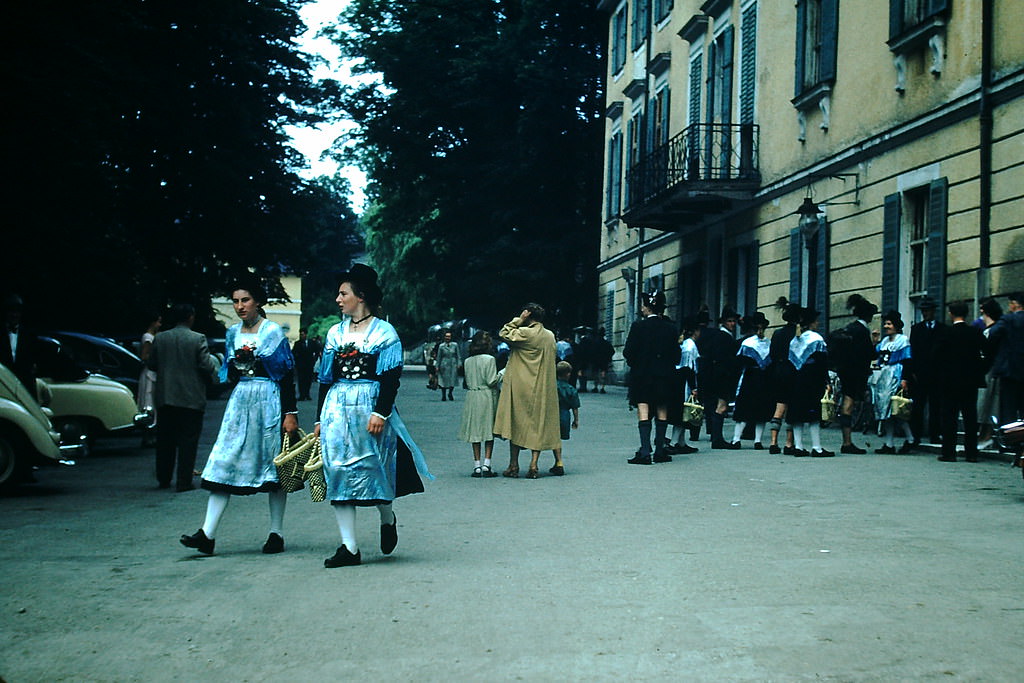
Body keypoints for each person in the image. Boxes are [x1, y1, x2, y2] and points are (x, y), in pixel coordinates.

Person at [315, 265, 432, 568]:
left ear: (361, 296)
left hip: (370, 405)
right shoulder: (334, 333)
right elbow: (325, 379)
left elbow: (391, 378)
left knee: (376, 469)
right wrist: (318, 419)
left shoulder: (384, 332)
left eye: (344, 293)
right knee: (338, 470)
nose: (338, 299)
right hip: (337, 408)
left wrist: (380, 411)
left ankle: (386, 516)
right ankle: (349, 548)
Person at [179, 283, 298, 555]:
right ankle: (207, 533)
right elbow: (230, 375)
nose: (240, 306)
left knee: (273, 464)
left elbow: (287, 375)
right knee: (224, 459)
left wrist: (290, 413)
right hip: (241, 400)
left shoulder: (272, 332)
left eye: (245, 300)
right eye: (235, 301)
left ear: (258, 302)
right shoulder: (232, 333)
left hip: (268, 398)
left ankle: (276, 532)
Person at [148, 303, 219, 492]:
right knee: (188, 441)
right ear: (190, 317)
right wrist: (213, 379)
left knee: (165, 440)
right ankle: (183, 481)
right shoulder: (197, 339)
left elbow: (152, 364)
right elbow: (206, 366)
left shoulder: (161, 338)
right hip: (191, 398)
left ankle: (163, 478)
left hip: (166, 396)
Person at [493, 303, 560, 479]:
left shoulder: (524, 333)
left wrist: (519, 320)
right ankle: (534, 464)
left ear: (528, 315)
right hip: (542, 386)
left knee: (516, 424)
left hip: (521, 386)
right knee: (537, 425)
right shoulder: (549, 336)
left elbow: (504, 333)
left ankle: (513, 465)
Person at [623, 291, 679, 464]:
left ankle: (645, 451)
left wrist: (637, 365)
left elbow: (628, 352)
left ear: (648, 307)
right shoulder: (671, 328)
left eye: (643, 305)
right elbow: (676, 355)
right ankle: (660, 450)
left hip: (643, 375)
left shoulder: (638, 327)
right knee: (662, 408)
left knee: (643, 408)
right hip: (664, 376)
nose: (641, 308)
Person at [935, 301, 987, 463]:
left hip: (950, 380)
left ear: (951, 314)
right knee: (970, 417)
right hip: (970, 380)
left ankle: (949, 452)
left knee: (949, 417)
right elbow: (988, 351)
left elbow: (936, 356)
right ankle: (971, 452)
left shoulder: (945, 333)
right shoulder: (975, 332)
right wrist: (980, 369)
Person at [785, 307, 833, 457]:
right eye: (816, 320)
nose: (818, 323)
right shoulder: (816, 339)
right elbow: (822, 362)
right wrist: (827, 380)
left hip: (796, 379)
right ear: (812, 322)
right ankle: (816, 447)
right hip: (813, 379)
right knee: (814, 415)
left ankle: (798, 447)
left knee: (797, 414)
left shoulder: (795, 340)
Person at [833, 294, 878, 454]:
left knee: (847, 403)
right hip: (855, 374)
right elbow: (869, 354)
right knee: (848, 406)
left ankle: (847, 441)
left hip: (845, 372)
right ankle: (847, 442)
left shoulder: (850, 328)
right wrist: (874, 343)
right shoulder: (861, 331)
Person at [871, 310, 915, 454]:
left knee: (897, 410)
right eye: (885, 323)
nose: (886, 326)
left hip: (895, 375)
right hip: (884, 378)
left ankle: (910, 438)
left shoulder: (903, 340)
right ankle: (889, 443)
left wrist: (904, 379)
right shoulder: (884, 341)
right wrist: (875, 341)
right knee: (886, 411)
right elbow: (876, 354)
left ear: (896, 325)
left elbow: (908, 361)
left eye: (889, 324)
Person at [697, 305, 740, 449]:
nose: (732, 324)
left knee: (717, 406)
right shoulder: (723, 337)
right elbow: (725, 360)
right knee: (721, 407)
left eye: (734, 321)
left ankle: (716, 436)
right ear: (723, 322)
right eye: (730, 321)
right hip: (722, 377)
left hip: (715, 376)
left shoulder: (717, 336)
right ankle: (717, 438)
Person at [729, 311, 773, 449]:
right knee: (754, 410)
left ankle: (743, 439)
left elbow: (739, 363)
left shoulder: (751, 343)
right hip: (758, 378)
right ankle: (751, 440)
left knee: (749, 410)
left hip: (753, 377)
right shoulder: (762, 343)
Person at [458, 330, 500, 478]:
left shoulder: (468, 361)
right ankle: (487, 463)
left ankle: (476, 465)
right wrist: (502, 374)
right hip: (487, 395)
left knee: (475, 430)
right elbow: (491, 380)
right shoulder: (489, 359)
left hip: (472, 395)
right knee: (488, 430)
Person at [909, 296, 946, 446]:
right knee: (918, 405)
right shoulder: (916, 329)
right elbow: (913, 351)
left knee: (936, 405)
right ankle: (916, 435)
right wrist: (913, 371)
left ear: (933, 312)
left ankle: (934, 433)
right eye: (923, 311)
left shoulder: (942, 329)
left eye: (928, 311)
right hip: (920, 373)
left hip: (937, 373)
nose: (926, 314)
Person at [767, 298, 801, 454]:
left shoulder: (778, 333)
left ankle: (773, 442)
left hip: (778, 371)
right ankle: (788, 443)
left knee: (779, 407)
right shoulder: (798, 334)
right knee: (792, 408)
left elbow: (772, 355)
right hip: (793, 371)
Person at [989, 292, 1024, 438]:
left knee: (1008, 408)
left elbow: (993, 334)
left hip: (1009, 369)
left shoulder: (1007, 320)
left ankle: (1009, 439)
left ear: (1015, 304)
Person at [666, 317, 700, 455]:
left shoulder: (684, 343)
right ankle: (674, 443)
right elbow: (689, 368)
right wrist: (694, 387)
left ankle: (681, 442)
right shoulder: (690, 345)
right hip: (685, 383)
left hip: (678, 380)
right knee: (682, 414)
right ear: (695, 331)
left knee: (682, 413)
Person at [976, 298, 1003, 446]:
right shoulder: (988, 330)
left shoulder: (993, 330)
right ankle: (983, 434)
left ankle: (987, 435)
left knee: (988, 403)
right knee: (984, 403)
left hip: (990, 370)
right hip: (987, 369)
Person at [136, 311, 162, 447]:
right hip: (149, 373)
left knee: (152, 402)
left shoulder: (153, 337)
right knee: (149, 402)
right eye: (158, 321)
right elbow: (144, 356)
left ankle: (151, 434)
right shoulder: (148, 337)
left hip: (152, 372)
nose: (160, 324)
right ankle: (148, 435)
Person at [553, 361, 580, 475]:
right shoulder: (571, 389)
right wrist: (576, 420)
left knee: (553, 438)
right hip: (565, 414)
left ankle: (558, 462)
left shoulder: (552, 386)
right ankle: (558, 462)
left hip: (553, 413)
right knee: (558, 439)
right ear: (568, 374)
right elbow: (575, 407)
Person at [434, 330, 461, 402]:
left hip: (453, 364)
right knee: (443, 380)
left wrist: (459, 364)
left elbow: (458, 355)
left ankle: (450, 393)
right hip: (444, 364)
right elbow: (439, 357)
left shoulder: (455, 345)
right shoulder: (441, 346)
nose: (447, 338)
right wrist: (437, 366)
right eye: (446, 336)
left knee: (453, 380)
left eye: (449, 336)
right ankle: (443, 395)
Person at [292, 327, 317, 401]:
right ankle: (302, 395)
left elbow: (316, 351)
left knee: (308, 380)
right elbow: (294, 353)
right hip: (301, 366)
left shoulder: (311, 343)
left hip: (309, 365)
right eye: (300, 334)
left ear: (306, 334)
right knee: (301, 380)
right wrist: (296, 362)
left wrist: (314, 360)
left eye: (303, 334)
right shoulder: (298, 343)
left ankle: (307, 394)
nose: (301, 336)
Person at [592, 328, 614, 393]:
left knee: (595, 373)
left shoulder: (595, 342)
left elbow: (591, 351)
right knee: (603, 373)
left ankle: (595, 387)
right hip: (604, 360)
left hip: (596, 360)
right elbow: (612, 351)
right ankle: (602, 387)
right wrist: (608, 357)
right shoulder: (606, 343)